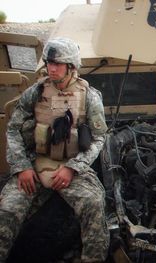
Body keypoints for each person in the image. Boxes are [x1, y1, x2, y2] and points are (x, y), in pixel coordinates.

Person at [0, 37, 109, 262]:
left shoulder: (89, 96)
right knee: (7, 210)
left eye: (57, 64)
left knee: (94, 204)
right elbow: (13, 130)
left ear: (71, 67)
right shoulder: (36, 92)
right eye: (49, 62)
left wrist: (73, 168)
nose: (51, 68)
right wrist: (21, 168)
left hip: (71, 166)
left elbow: (99, 138)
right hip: (35, 164)